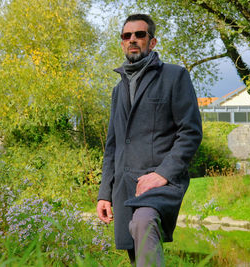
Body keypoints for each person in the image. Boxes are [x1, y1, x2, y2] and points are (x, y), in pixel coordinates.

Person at [96, 14, 202, 266]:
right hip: (124, 186)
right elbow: (113, 145)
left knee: (143, 222)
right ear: (122, 43)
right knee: (136, 255)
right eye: (127, 36)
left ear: (152, 42)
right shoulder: (118, 90)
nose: (132, 40)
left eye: (139, 35)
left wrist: (163, 174)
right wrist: (105, 193)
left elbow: (190, 132)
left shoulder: (174, 77)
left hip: (159, 185)